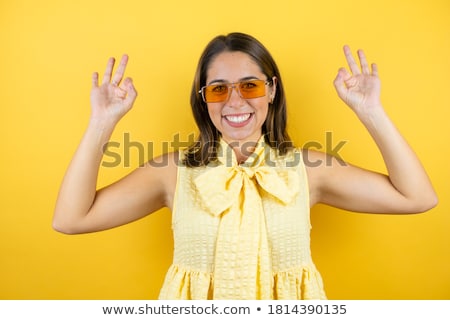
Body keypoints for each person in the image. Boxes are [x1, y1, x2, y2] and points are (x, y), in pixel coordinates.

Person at [53, 32, 437, 300]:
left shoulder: (310, 169)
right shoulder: (173, 172)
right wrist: (102, 122)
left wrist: (371, 112)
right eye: (219, 88)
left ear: (271, 90)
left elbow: (416, 197)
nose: (235, 101)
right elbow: (71, 220)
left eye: (250, 85)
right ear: (204, 99)